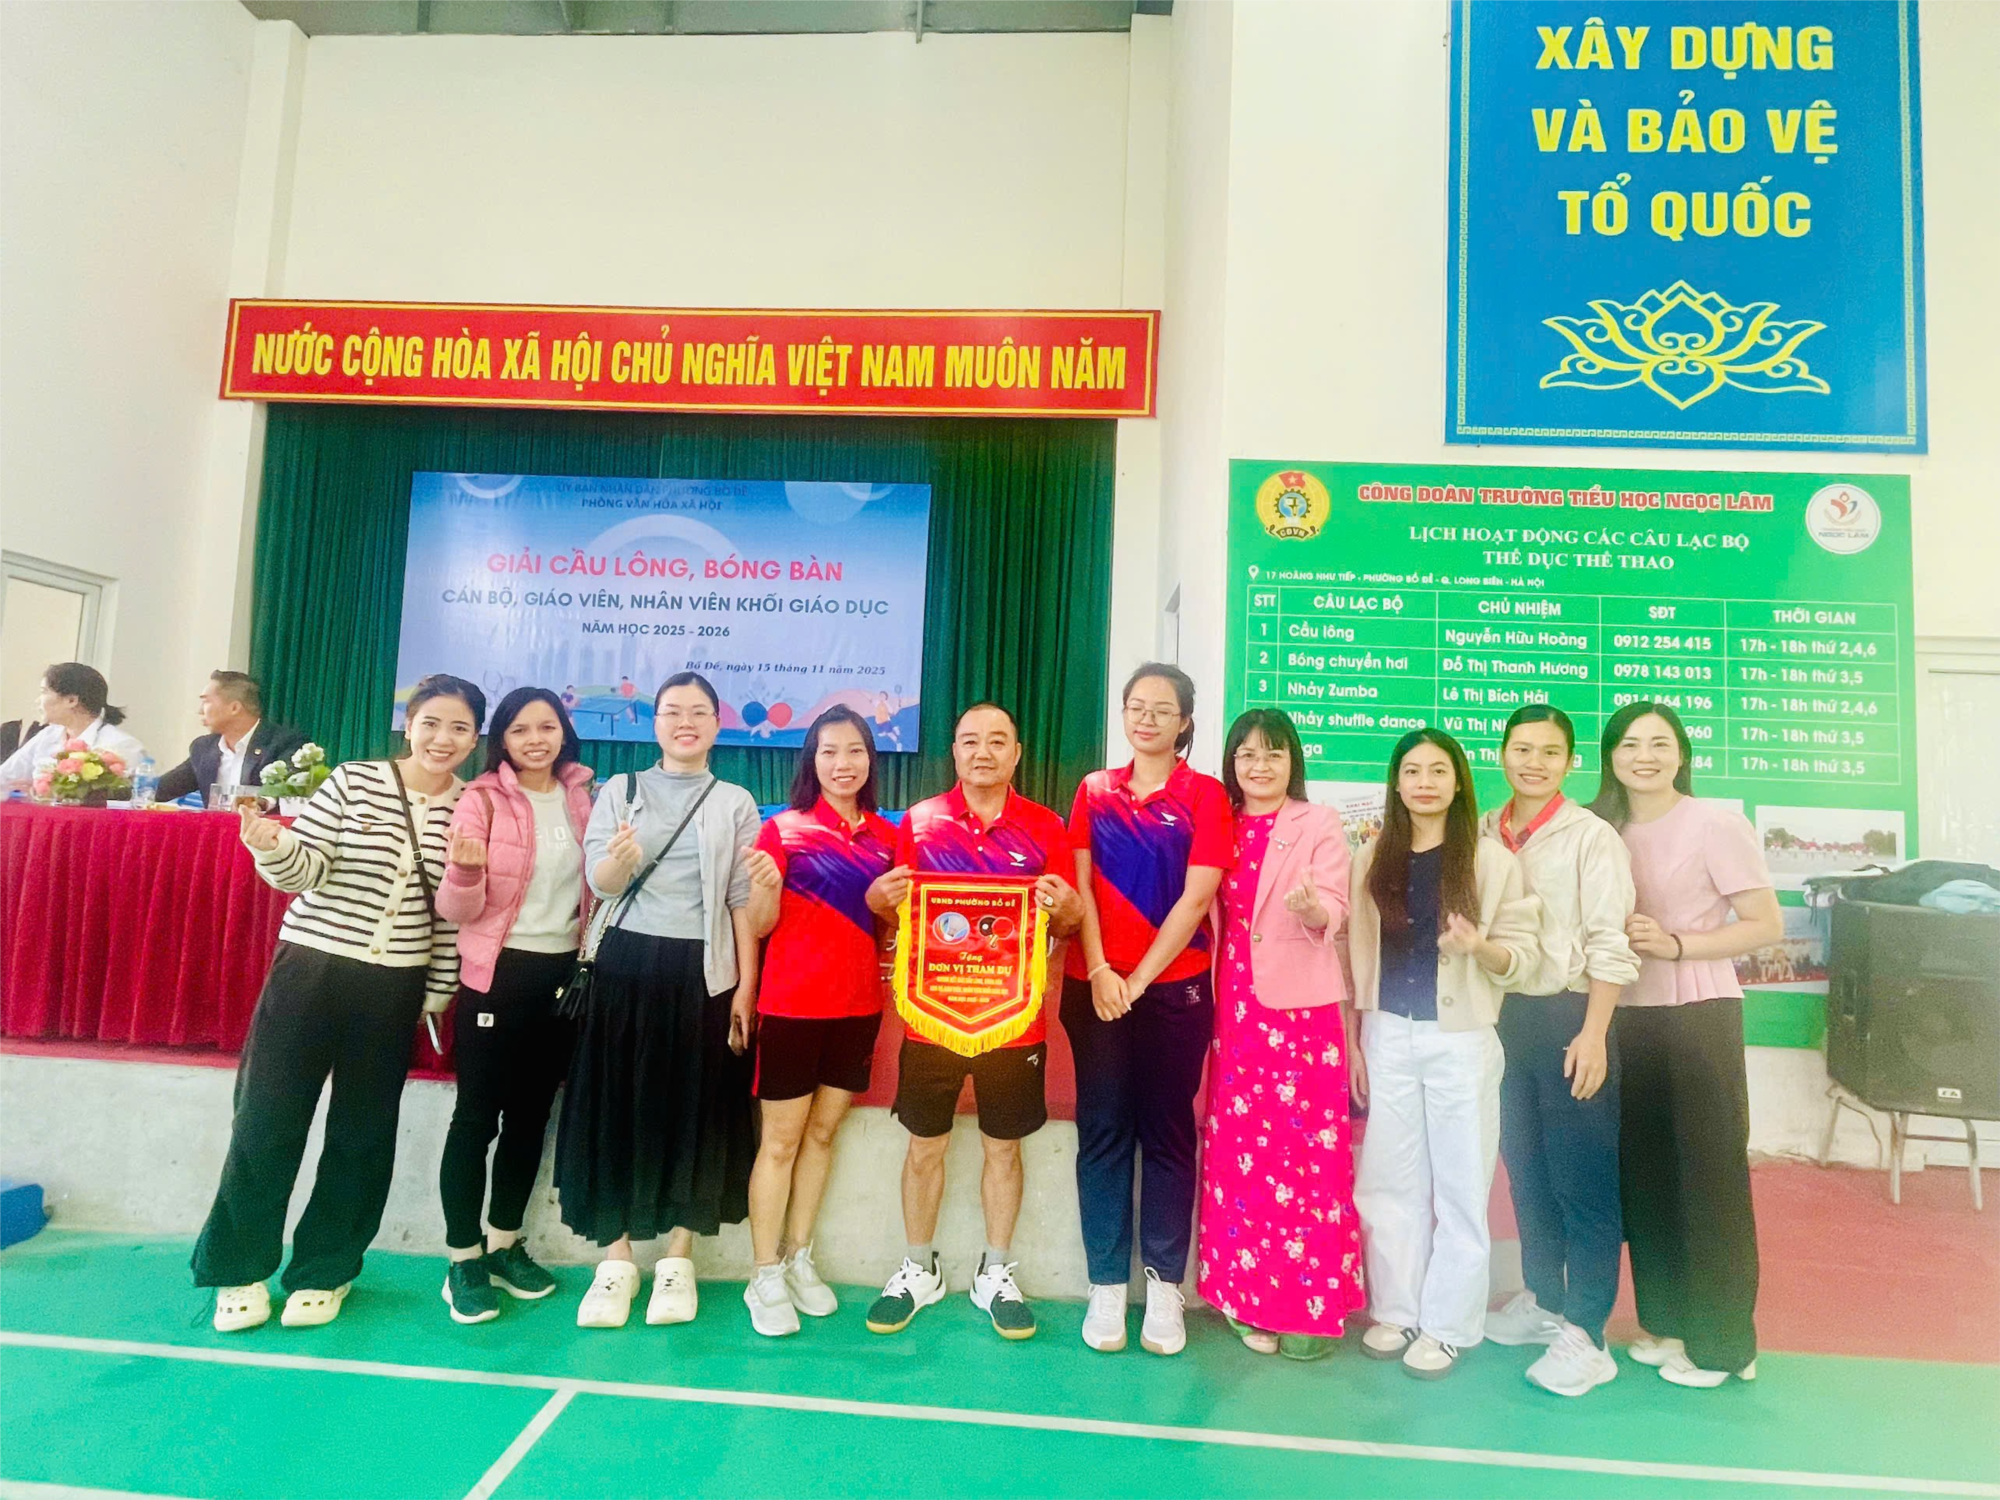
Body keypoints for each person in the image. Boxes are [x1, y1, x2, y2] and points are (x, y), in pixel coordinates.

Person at [193, 674, 485, 1332]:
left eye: (459, 728)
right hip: (311, 969)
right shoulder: (355, 781)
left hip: (394, 985)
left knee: (362, 1134)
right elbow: (308, 870)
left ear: (474, 739)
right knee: (266, 1120)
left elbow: (453, 917)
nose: (442, 738)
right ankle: (238, 1269)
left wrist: (436, 991)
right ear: (408, 725)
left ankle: (326, 1270)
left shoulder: (473, 808)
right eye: (431, 723)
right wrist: (272, 847)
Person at [862, 703, 1082, 1342]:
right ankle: (918, 1266)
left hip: (1014, 1021)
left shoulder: (1047, 827)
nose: (983, 752)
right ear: (954, 752)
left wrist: (1068, 908)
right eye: (969, 741)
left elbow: (1067, 923)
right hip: (933, 1016)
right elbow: (897, 913)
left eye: (997, 741)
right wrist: (877, 899)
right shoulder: (920, 822)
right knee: (924, 1144)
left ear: (1017, 753)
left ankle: (995, 1270)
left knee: (1003, 1147)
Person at [558, 670, 761, 1330]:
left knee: (693, 1108)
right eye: (673, 711)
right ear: (655, 723)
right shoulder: (621, 790)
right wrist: (620, 860)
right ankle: (615, 1260)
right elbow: (600, 881)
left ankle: (679, 1257)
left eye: (698, 712)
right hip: (623, 966)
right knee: (617, 1104)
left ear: (717, 725)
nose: (685, 722)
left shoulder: (734, 802)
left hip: (703, 974)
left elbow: (741, 902)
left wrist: (746, 986)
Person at [1591, 700, 1781, 1389]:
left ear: (1681, 754)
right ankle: (1672, 1322)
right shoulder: (1601, 828)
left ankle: (1726, 1346)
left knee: (1709, 1179)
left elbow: (1765, 924)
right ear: (1610, 756)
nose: (1644, 756)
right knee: (1647, 1179)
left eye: (1659, 743)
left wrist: (1677, 944)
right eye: (1630, 744)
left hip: (1698, 1014)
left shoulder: (1714, 824)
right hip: (1626, 1016)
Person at [1349, 728, 1538, 1380]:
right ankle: (1398, 1311)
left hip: (1460, 1039)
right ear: (1397, 784)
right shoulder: (1370, 857)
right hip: (1387, 1031)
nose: (1424, 782)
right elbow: (1353, 952)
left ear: (1458, 783)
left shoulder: (1490, 862)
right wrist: (1357, 1038)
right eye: (1412, 771)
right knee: (1388, 1181)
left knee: (1460, 1184)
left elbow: (1522, 957)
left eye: (1438, 770)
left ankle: (1449, 1326)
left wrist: (1478, 947)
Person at [1065, 663, 1233, 1358]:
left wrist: (1136, 981)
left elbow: (1197, 898)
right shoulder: (1094, 790)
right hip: (1096, 986)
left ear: (1185, 721)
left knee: (1167, 1134)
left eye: (1163, 709)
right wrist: (1102, 969)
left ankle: (1166, 1286)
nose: (1147, 719)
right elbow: (1079, 887)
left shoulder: (1206, 795)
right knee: (1103, 1131)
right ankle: (1106, 1284)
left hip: (1174, 989)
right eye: (1136, 706)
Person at [1478, 705, 1640, 1397]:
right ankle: (1545, 1300)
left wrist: (1595, 1032)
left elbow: (1610, 939)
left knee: (1583, 1180)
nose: (1534, 763)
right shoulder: (1484, 829)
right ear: (1502, 754)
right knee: (1526, 1170)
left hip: (1571, 1017)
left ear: (1570, 762)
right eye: (1522, 749)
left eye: (1549, 752)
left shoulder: (1591, 837)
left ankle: (1587, 1333)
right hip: (1502, 1019)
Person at [1196, 708, 1361, 1361]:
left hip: (1303, 1016)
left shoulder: (1317, 822)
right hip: (1236, 1011)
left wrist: (1314, 909)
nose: (1259, 766)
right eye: (1247, 755)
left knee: (1307, 1159)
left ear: (1293, 761)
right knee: (1242, 1156)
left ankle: (1308, 1306)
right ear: (1231, 763)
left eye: (1273, 753)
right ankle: (1243, 1298)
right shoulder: (1221, 824)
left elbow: (1336, 907)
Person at [432, 688, 595, 1324]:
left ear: (563, 734)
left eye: (547, 727)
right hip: (496, 977)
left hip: (562, 977)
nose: (535, 740)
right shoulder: (480, 801)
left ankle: (504, 1245)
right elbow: (456, 909)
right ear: (501, 738)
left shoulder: (582, 797)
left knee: (531, 1119)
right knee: (477, 1119)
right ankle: (462, 1258)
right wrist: (465, 873)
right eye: (521, 729)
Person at [738, 706, 898, 1337]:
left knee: (823, 1136)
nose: (842, 763)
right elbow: (758, 925)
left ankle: (798, 1256)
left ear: (870, 760)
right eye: (829, 752)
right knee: (779, 1142)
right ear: (811, 761)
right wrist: (766, 886)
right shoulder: (781, 830)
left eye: (855, 750)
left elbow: (891, 926)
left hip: (858, 1009)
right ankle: (762, 1273)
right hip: (791, 1008)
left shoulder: (887, 837)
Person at [155, 670, 308, 806]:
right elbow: (161, 789)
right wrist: (138, 783)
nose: (200, 710)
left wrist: (257, 803)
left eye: (206, 701)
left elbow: (282, 792)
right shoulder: (203, 748)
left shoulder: (285, 743)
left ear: (234, 708)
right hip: (217, 829)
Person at [0, 662, 145, 785]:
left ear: (71, 700)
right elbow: (5, 777)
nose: (38, 701)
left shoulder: (122, 745)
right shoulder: (48, 735)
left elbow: (128, 799)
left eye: (44, 692)